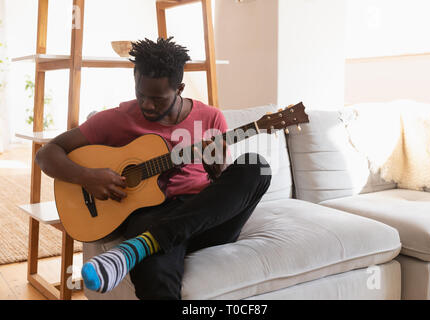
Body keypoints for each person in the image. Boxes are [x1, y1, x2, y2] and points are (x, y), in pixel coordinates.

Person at [35, 37, 271, 300]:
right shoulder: (118, 119)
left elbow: (222, 189)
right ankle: (150, 242)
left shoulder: (211, 117)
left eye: (157, 99)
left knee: (257, 167)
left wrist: (215, 171)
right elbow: (47, 154)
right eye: (141, 94)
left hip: (204, 218)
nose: (146, 105)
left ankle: (138, 247)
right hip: (151, 216)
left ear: (179, 89)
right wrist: (88, 176)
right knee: (155, 276)